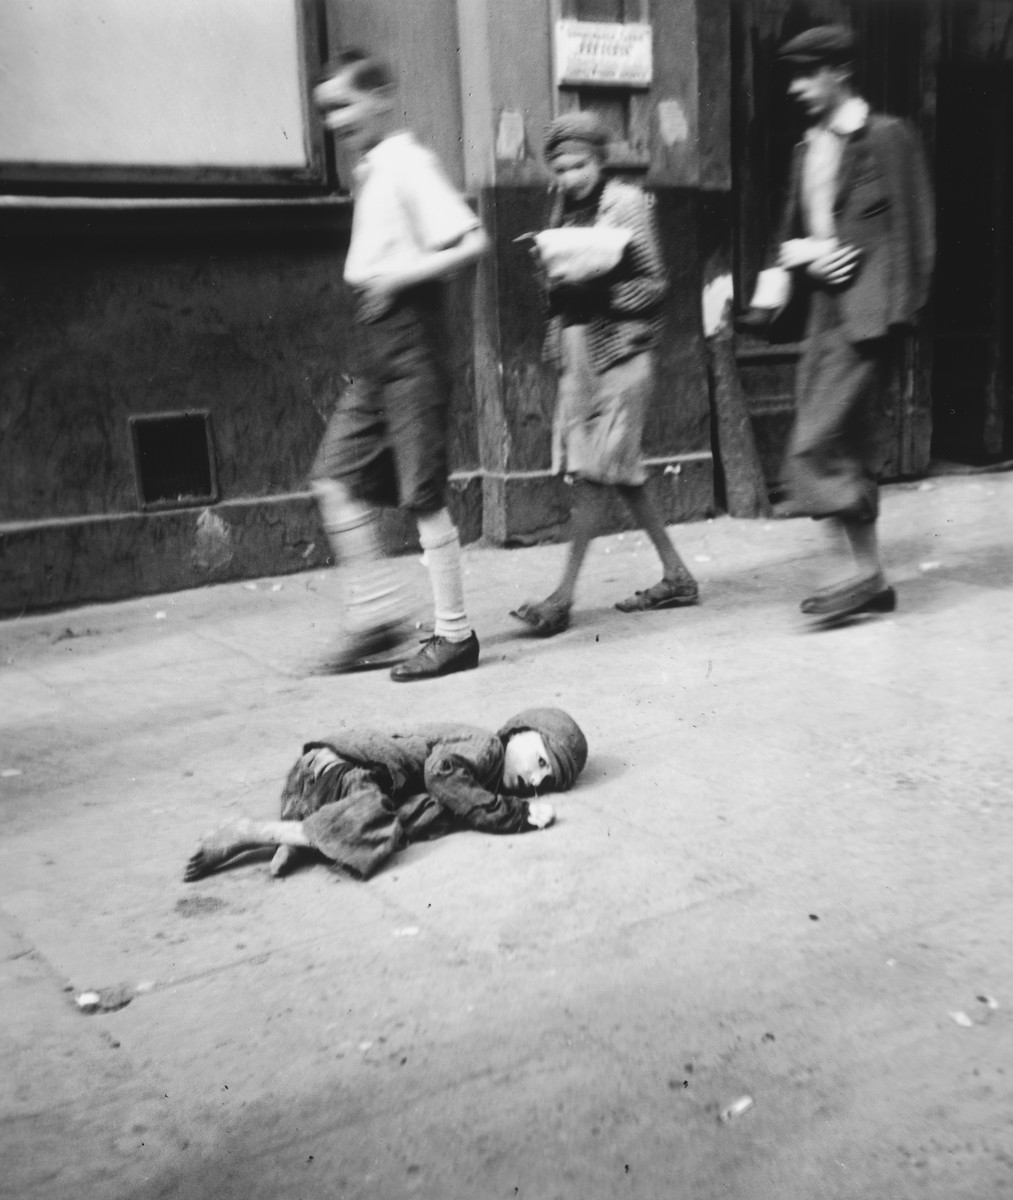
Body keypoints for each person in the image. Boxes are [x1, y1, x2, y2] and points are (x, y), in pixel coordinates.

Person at [745, 25, 935, 624]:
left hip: (869, 314)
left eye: (808, 74)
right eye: (792, 77)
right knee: (841, 442)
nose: (798, 87)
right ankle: (867, 579)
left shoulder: (887, 137)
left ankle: (860, 576)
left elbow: (915, 230)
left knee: (814, 444)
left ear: (839, 73)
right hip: (825, 311)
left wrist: (901, 314)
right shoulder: (808, 149)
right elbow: (789, 233)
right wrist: (785, 277)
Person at [308, 50, 488, 679]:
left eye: (345, 104)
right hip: (376, 351)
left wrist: (401, 276)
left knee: (423, 494)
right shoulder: (374, 169)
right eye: (327, 109)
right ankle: (375, 618)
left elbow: (472, 240)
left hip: (413, 346)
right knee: (334, 478)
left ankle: (455, 634)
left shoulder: (410, 163)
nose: (334, 120)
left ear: (381, 97)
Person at [510, 112, 698, 638]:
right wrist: (548, 270)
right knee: (622, 474)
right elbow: (554, 286)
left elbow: (655, 283)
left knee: (596, 475)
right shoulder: (562, 208)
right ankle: (678, 575)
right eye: (562, 168)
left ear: (601, 161)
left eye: (582, 165)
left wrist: (597, 289)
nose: (572, 177)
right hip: (578, 354)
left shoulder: (627, 203)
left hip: (622, 351)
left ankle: (563, 596)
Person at [182, 707, 588, 882]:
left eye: (547, 779)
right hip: (332, 770)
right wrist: (512, 815)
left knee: (430, 814)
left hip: (313, 789)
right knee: (387, 820)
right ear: (516, 731)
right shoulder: (486, 748)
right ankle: (252, 832)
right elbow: (441, 772)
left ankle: (307, 835)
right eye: (539, 759)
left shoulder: (481, 776)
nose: (535, 780)